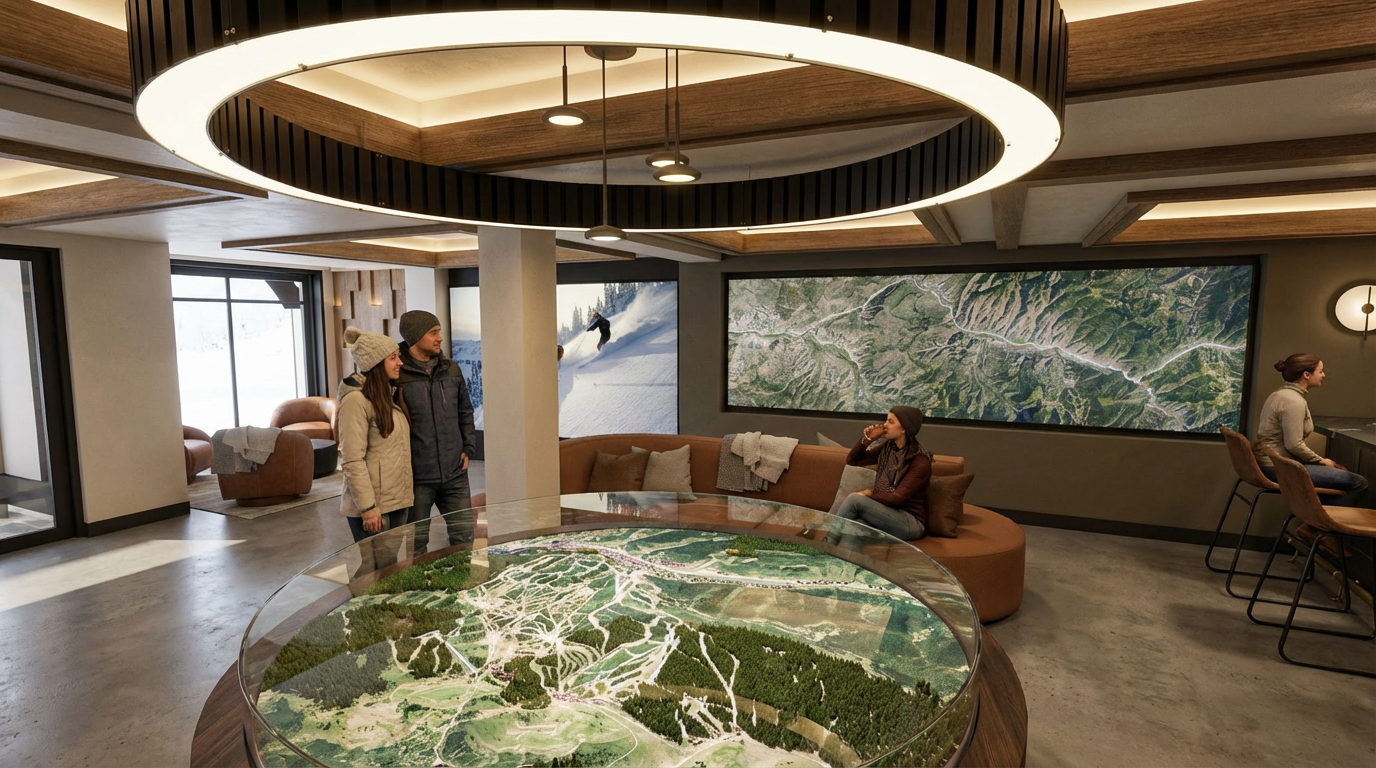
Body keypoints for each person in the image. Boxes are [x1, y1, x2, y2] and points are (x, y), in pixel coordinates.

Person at [396, 310, 477, 553]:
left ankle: (462, 586)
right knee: (417, 543)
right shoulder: (397, 374)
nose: (440, 338)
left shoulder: (450, 368)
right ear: (415, 336)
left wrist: (468, 448)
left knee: (464, 538)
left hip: (455, 474)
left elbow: (465, 410)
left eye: (439, 331)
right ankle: (419, 588)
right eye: (433, 333)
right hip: (417, 478)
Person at [337, 327, 414, 573]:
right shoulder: (356, 402)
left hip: (395, 500)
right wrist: (369, 508)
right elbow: (352, 460)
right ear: (376, 363)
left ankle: (384, 610)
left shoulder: (386, 398)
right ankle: (357, 610)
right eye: (393, 358)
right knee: (374, 569)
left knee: (388, 566)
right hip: (373, 506)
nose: (400, 362)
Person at [1254, 353, 1369, 507]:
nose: (1323, 375)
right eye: (1320, 371)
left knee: (1339, 471)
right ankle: (1319, 525)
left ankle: (1314, 523)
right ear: (1306, 375)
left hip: (1273, 463)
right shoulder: (1293, 401)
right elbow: (1293, 445)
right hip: (1278, 468)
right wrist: (1322, 461)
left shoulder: (1280, 394)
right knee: (1359, 483)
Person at [824, 406, 933, 544]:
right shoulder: (888, 448)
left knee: (854, 500)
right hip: (885, 512)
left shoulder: (920, 461)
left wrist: (869, 494)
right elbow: (853, 460)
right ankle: (842, 563)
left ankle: (827, 544)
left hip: (909, 522)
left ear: (904, 429)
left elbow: (896, 499)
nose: (885, 425)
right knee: (855, 529)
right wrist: (867, 440)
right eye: (886, 421)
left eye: (891, 422)